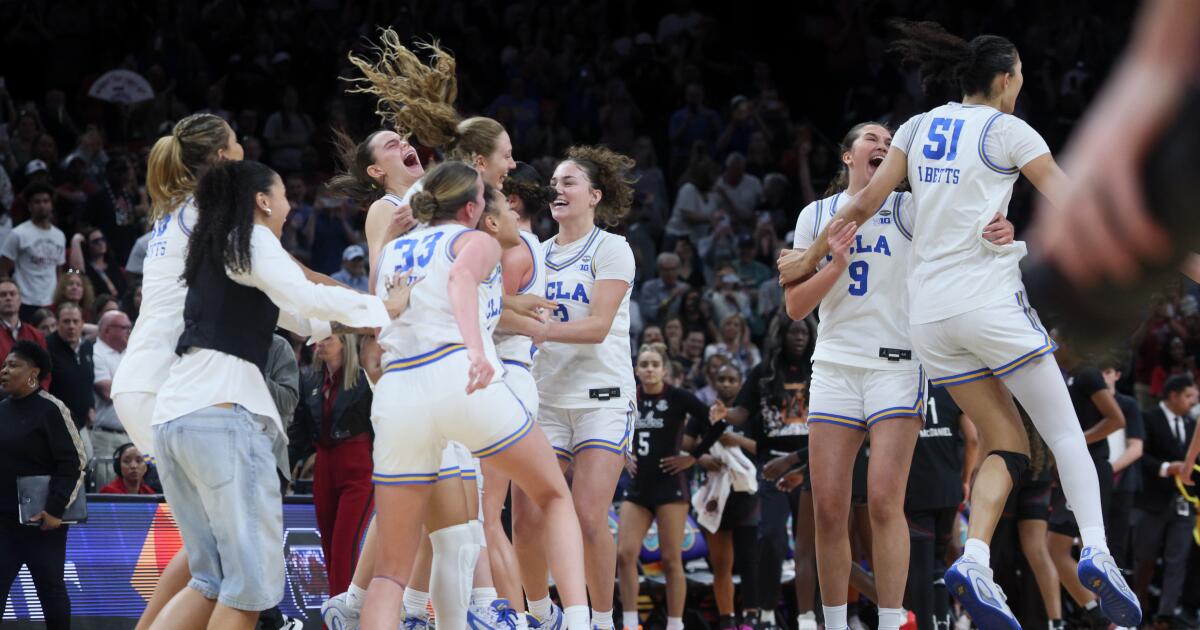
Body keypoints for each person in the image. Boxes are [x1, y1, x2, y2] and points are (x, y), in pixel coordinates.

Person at [777, 21, 1140, 628]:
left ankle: (974, 559)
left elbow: (866, 204)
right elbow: (1077, 206)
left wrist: (809, 256)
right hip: (982, 305)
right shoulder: (1008, 129)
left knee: (1005, 442)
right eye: (1020, 76)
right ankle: (1098, 551)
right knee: (1065, 434)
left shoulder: (918, 128)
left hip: (928, 326)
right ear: (1005, 78)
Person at [149, 159, 403, 630]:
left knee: (209, 580)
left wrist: (371, 319)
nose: (291, 207)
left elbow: (304, 320)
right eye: (285, 195)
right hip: (222, 418)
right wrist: (386, 308)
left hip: (176, 420)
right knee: (250, 589)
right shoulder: (252, 237)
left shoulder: (220, 251)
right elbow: (307, 295)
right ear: (263, 201)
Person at [361, 160, 589, 630]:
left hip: (398, 394)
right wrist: (476, 351)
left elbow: (377, 321)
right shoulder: (475, 239)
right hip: (457, 376)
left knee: (393, 571)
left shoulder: (392, 251)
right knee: (553, 495)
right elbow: (461, 279)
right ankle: (579, 620)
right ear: (471, 209)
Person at [109, 112, 241, 630]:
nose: (244, 149)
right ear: (221, 156)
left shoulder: (174, 213)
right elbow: (266, 279)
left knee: (205, 540)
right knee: (220, 547)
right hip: (165, 387)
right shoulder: (210, 209)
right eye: (236, 142)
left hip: (144, 383)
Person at [518, 145, 639, 630]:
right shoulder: (536, 253)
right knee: (526, 519)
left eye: (569, 182)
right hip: (545, 399)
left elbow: (597, 327)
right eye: (554, 183)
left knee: (589, 517)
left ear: (595, 195)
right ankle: (540, 615)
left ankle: (602, 621)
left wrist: (541, 329)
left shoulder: (612, 248)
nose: (558, 189)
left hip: (601, 400)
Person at [710, 312, 818, 630]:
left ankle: (812, 613)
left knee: (811, 544)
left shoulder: (819, 369)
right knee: (771, 537)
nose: (799, 337)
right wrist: (724, 413)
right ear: (781, 335)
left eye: (804, 332)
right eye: (793, 332)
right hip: (772, 464)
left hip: (812, 463)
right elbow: (743, 413)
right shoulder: (764, 372)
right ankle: (767, 610)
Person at [617, 344, 710, 630]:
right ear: (636, 369)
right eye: (644, 364)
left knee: (671, 560)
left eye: (654, 364)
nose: (649, 369)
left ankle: (675, 624)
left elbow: (713, 422)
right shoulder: (628, 397)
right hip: (639, 487)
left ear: (664, 370)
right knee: (624, 555)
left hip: (670, 487)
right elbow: (609, 426)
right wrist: (623, 453)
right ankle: (631, 623)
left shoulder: (678, 397)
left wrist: (693, 456)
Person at [0, 340, 86, 630]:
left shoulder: (52, 409)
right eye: (4, 365)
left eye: (13, 365)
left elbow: (74, 462)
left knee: (51, 591)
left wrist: (55, 509)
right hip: (3, 522)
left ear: (33, 373)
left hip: (43, 523)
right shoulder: (2, 410)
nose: (4, 370)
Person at [1047, 333, 1126, 622]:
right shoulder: (1067, 377)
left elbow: (1116, 419)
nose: (1049, 344)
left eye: (1054, 338)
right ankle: (1101, 616)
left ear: (1069, 342)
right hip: (1075, 468)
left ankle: (1109, 618)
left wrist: (1077, 442)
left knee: (1059, 546)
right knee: (1066, 548)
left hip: (1090, 468)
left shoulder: (1088, 374)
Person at [289, 333, 374, 597]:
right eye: (319, 339)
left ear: (345, 342)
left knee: (345, 546)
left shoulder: (363, 379)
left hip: (358, 467)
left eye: (328, 338)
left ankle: (343, 611)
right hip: (324, 467)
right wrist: (282, 470)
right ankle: (337, 607)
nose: (321, 344)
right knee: (327, 544)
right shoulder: (310, 379)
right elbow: (299, 433)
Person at [904, 387, 978, 630]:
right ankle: (944, 622)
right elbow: (973, 439)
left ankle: (927, 624)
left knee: (921, 565)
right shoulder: (951, 389)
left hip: (916, 489)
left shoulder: (904, 387)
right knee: (939, 559)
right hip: (949, 488)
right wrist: (965, 480)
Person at [697, 364, 760, 630]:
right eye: (721, 378)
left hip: (747, 495)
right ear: (713, 382)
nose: (726, 383)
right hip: (716, 494)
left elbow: (765, 448)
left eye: (731, 379)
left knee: (749, 561)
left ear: (740, 383)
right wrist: (702, 458)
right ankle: (727, 619)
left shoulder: (752, 415)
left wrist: (738, 440)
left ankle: (752, 616)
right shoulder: (704, 413)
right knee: (721, 563)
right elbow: (687, 445)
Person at [1134, 374, 1197, 627]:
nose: (1192, 402)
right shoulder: (1148, 417)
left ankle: (1166, 616)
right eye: (1188, 396)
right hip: (1152, 500)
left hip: (1184, 501)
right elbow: (1140, 456)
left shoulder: (1192, 424)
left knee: (1177, 559)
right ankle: (1139, 610)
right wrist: (1167, 468)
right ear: (1173, 395)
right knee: (1145, 557)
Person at [0, 182, 65, 320]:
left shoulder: (59, 236)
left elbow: (58, 271)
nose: (42, 205)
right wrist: (12, 296)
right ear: (29, 206)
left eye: (46, 201)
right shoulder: (18, 234)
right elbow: (3, 269)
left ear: (51, 205)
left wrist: (59, 297)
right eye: (37, 202)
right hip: (25, 301)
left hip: (51, 301)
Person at [46, 302, 94, 457]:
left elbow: (88, 380)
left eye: (75, 321)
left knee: (88, 460)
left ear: (82, 324)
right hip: (55, 424)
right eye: (66, 321)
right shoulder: (46, 347)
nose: (71, 326)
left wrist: (91, 405)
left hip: (80, 423)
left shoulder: (87, 347)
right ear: (57, 324)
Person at [89, 310, 132, 480]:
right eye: (124, 328)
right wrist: (137, 388)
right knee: (107, 487)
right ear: (107, 330)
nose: (129, 331)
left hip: (131, 435)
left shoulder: (131, 353)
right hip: (106, 437)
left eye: (130, 327)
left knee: (135, 492)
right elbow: (108, 391)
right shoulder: (95, 353)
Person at [0, 278, 48, 378]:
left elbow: (45, 372)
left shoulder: (37, 335)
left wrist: (34, 388)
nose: (8, 298)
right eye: (3, 295)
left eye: (12, 294)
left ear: (20, 299)